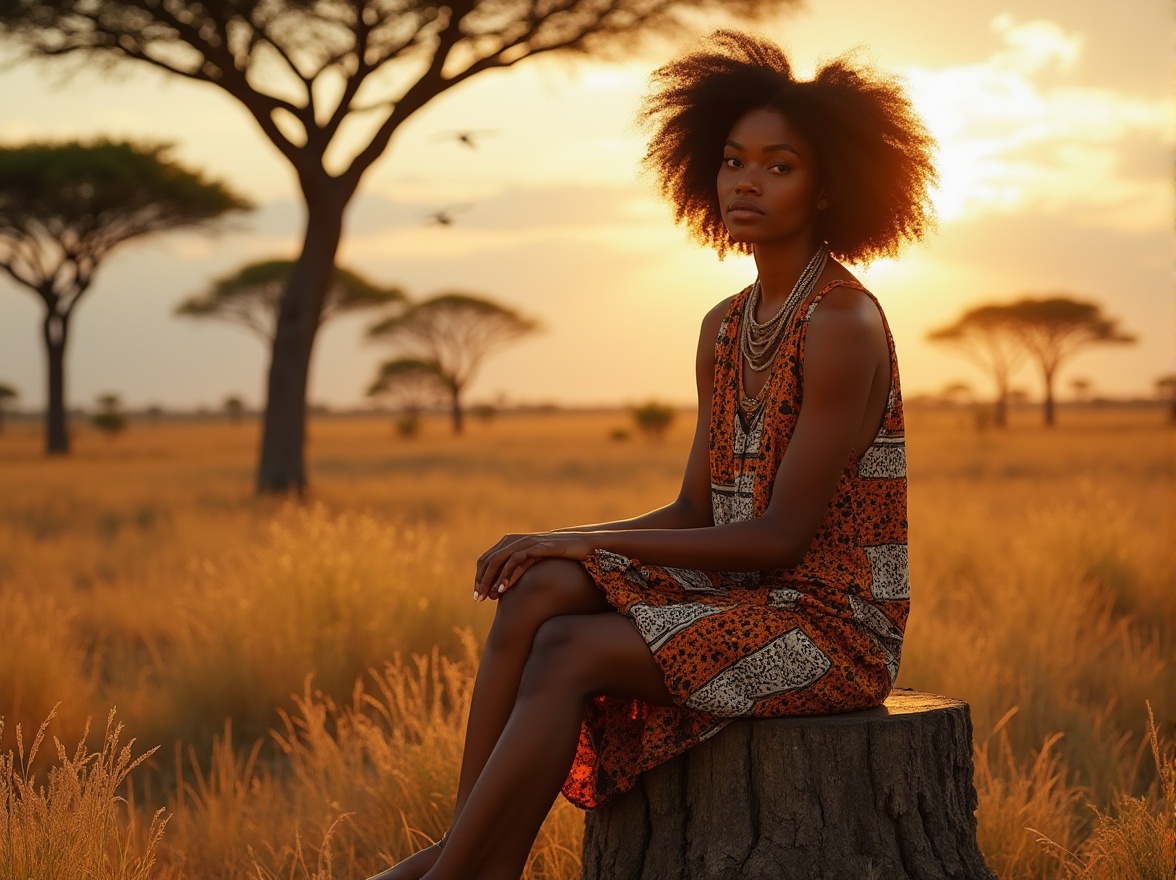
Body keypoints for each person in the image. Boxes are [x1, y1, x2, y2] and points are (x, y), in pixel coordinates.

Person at [371, 29, 936, 880]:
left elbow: (781, 538)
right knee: (539, 591)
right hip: (747, 595)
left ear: (828, 189)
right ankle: (469, 852)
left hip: (830, 630)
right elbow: (694, 513)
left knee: (570, 648)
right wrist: (557, 543)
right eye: (734, 161)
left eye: (781, 166)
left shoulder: (842, 322)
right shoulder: (723, 325)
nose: (749, 181)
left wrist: (580, 542)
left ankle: (455, 873)